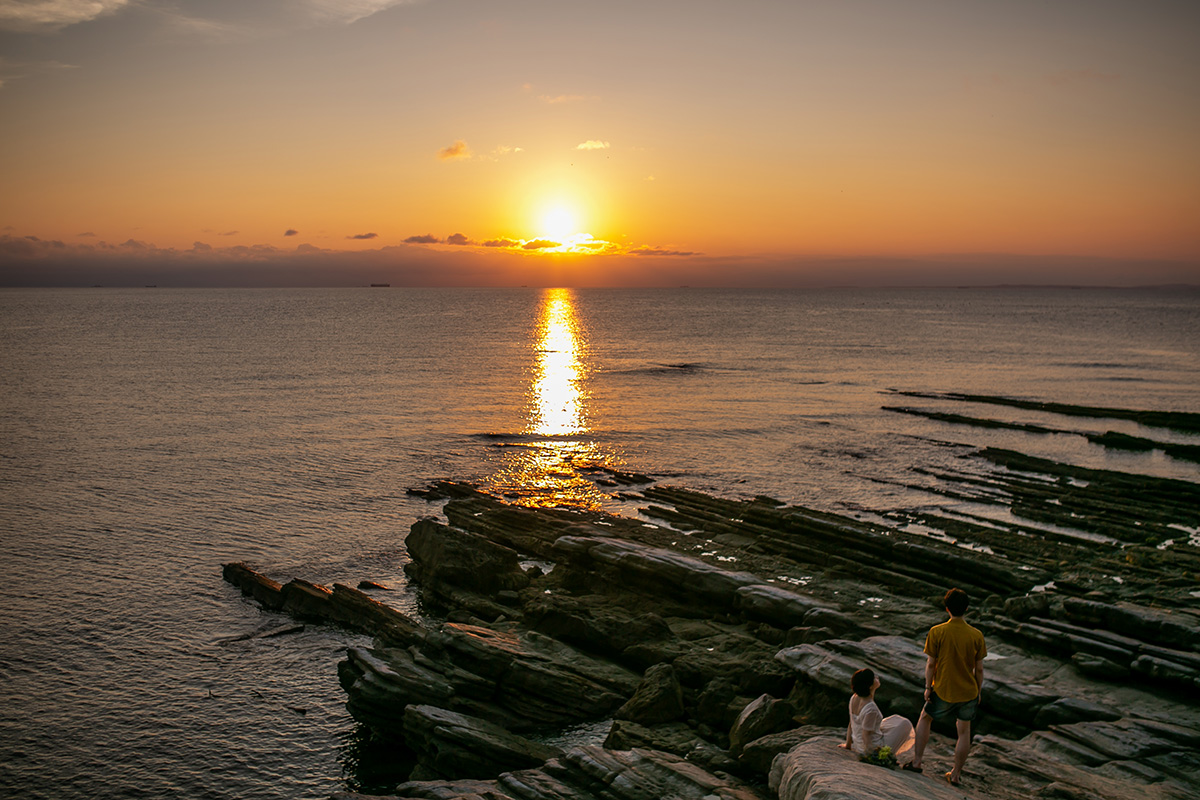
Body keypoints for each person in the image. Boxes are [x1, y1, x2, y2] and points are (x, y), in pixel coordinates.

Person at [905, 587, 987, 786]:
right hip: (968, 691)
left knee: (925, 718)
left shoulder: (937, 631)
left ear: (947, 608)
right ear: (966, 609)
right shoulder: (976, 635)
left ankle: (916, 762)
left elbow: (931, 663)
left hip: (942, 689)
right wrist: (978, 691)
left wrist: (927, 686)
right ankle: (956, 774)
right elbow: (980, 669)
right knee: (964, 731)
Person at [838, 667, 915, 758]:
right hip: (872, 746)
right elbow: (866, 735)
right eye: (874, 678)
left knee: (896, 721)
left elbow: (852, 723)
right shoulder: (871, 709)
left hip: (858, 743)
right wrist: (871, 755)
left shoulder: (854, 697)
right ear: (870, 686)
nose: (877, 677)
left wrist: (848, 745)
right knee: (905, 724)